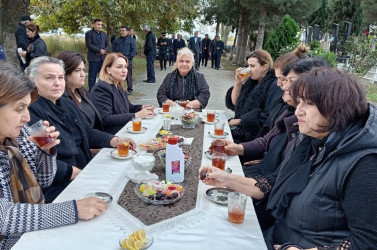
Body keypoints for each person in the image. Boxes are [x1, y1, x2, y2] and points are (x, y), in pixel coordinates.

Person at [201, 68, 377, 249]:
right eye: (299, 102)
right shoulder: (313, 141)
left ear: (337, 108)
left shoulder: (364, 164)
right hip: (276, 235)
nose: (298, 111)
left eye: (308, 104)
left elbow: (367, 242)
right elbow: (274, 183)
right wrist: (226, 179)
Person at [0, 62, 108, 249]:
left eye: (27, 107)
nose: (26, 117)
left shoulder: (23, 131)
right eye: (19, 108)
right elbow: (3, 217)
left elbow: (44, 179)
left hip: (33, 226)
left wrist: (47, 152)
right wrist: (73, 210)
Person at [220, 57, 329, 230]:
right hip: (271, 192)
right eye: (280, 79)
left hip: (280, 215)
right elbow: (270, 148)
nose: (281, 85)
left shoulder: (312, 133)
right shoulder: (291, 114)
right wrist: (236, 154)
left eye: (287, 80)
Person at [27, 56, 127, 202]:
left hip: (84, 166)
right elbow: (42, 159)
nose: (57, 83)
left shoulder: (66, 103)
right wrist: (74, 173)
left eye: (60, 78)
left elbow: (87, 131)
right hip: (60, 186)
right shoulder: (31, 112)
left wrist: (114, 140)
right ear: (32, 81)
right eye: (49, 78)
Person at [91, 53, 155, 134]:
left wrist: (141, 107)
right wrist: (136, 115)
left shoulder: (118, 85)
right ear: (108, 70)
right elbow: (106, 119)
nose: (124, 70)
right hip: (110, 136)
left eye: (125, 67)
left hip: (123, 129)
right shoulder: (101, 88)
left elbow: (127, 107)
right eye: (119, 67)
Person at [226, 50, 281, 143]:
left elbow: (268, 115)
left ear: (264, 67)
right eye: (248, 66)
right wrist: (238, 82)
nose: (249, 69)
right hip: (241, 130)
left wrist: (241, 120)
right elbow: (235, 102)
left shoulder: (274, 85)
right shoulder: (252, 81)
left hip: (256, 136)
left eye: (252, 66)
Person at [258, 44, 309, 137]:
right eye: (277, 78)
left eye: (283, 79)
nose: (278, 83)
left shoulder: (301, 113)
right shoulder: (281, 101)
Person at [85, 19, 109, 92]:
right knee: (92, 77)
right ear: (94, 24)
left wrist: (104, 50)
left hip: (102, 59)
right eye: (98, 24)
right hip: (93, 58)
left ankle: (102, 91)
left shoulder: (103, 34)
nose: (100, 26)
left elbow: (108, 44)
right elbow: (89, 44)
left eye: (101, 24)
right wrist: (99, 51)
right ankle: (91, 92)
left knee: (103, 76)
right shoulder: (89, 33)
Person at [113, 26, 137, 95]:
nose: (122, 32)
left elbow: (134, 51)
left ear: (127, 31)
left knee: (128, 75)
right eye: (121, 31)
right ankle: (119, 88)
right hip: (118, 61)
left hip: (128, 60)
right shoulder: (117, 40)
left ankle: (130, 89)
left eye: (123, 31)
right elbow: (114, 51)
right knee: (118, 74)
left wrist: (127, 58)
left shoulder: (132, 40)